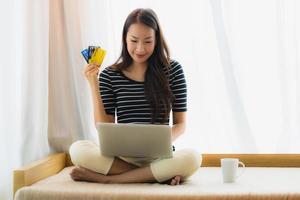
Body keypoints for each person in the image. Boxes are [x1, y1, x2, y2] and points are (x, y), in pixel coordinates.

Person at [69, 8, 201, 186]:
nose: (140, 48)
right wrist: (93, 83)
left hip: (160, 158)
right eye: (134, 40)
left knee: (193, 158)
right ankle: (154, 175)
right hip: (122, 159)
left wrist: (159, 143)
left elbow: (180, 124)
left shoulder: (174, 70)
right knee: (78, 150)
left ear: (157, 40)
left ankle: (108, 179)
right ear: (125, 39)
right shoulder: (110, 75)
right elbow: (104, 127)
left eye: (148, 41)